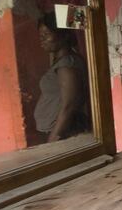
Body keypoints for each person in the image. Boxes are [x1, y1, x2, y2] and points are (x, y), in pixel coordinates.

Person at [34, 12, 90, 143]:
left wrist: (53, 139)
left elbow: (69, 105)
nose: (42, 39)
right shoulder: (62, 62)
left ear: (64, 35)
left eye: (46, 34)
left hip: (63, 134)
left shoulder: (67, 64)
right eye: (40, 35)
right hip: (58, 132)